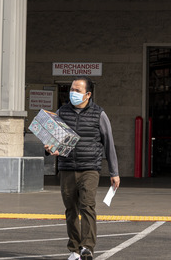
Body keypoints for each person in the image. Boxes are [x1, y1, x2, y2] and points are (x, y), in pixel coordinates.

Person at [50, 78, 119, 260]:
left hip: (90, 168)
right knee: (71, 209)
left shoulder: (99, 114)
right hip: (67, 168)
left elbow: (109, 143)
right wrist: (49, 148)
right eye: (72, 89)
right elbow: (52, 139)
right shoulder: (62, 112)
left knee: (87, 206)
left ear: (88, 94)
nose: (73, 93)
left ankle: (87, 247)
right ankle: (74, 249)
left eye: (77, 90)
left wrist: (115, 172)